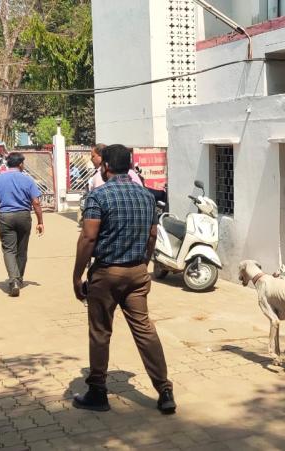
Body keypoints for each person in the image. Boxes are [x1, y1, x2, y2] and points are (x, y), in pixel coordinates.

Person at [72, 144, 176, 415]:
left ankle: (97, 391)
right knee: (145, 330)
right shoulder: (147, 196)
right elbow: (152, 235)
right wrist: (144, 263)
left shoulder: (98, 196)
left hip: (106, 274)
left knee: (100, 332)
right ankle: (164, 390)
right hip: (136, 273)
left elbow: (88, 237)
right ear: (129, 166)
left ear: (105, 166)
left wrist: (77, 275)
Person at [0, 152, 44, 297]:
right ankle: (19, 278)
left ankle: (14, 280)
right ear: (20, 164)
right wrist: (40, 222)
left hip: (5, 217)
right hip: (24, 216)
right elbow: (36, 202)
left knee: (9, 250)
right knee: (22, 250)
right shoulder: (28, 180)